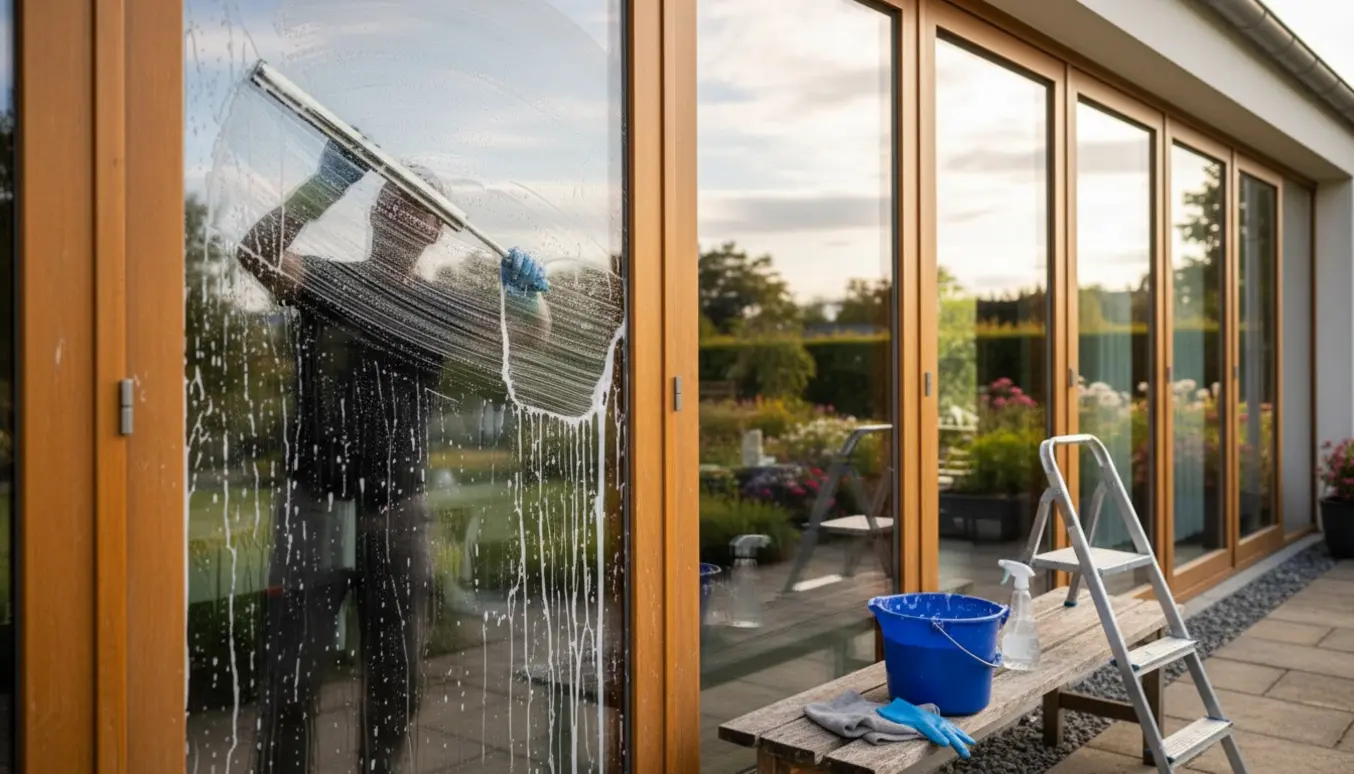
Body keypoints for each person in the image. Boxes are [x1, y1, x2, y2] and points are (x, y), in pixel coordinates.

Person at [236, 139, 551, 774]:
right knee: (291, 679)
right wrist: (323, 187)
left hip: (400, 513)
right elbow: (256, 251)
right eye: (397, 198)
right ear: (377, 209)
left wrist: (528, 297)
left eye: (423, 206)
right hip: (314, 507)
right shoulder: (329, 280)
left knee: (398, 680)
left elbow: (532, 337)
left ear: (437, 229)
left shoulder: (440, 307)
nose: (408, 212)